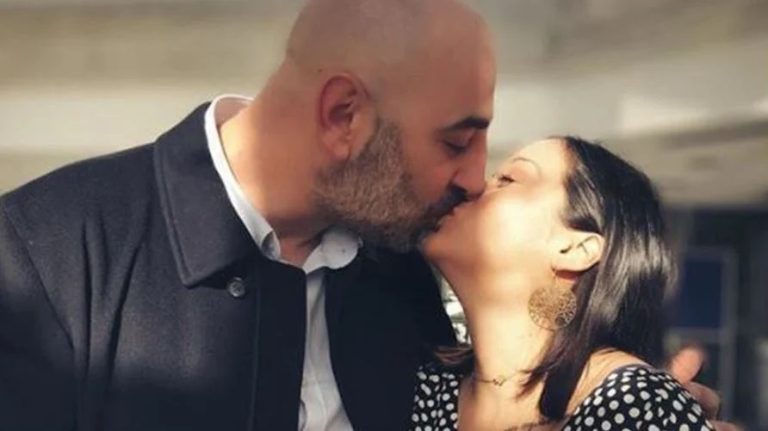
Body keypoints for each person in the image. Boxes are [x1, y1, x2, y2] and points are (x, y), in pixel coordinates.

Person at [0, 0, 727, 429]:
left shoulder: (398, 265)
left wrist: (642, 402)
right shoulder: (41, 254)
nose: (472, 180)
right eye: (457, 141)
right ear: (344, 114)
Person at [412, 136, 718, 430]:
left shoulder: (635, 406)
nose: (474, 186)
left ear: (575, 249)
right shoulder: (426, 391)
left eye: (507, 180)